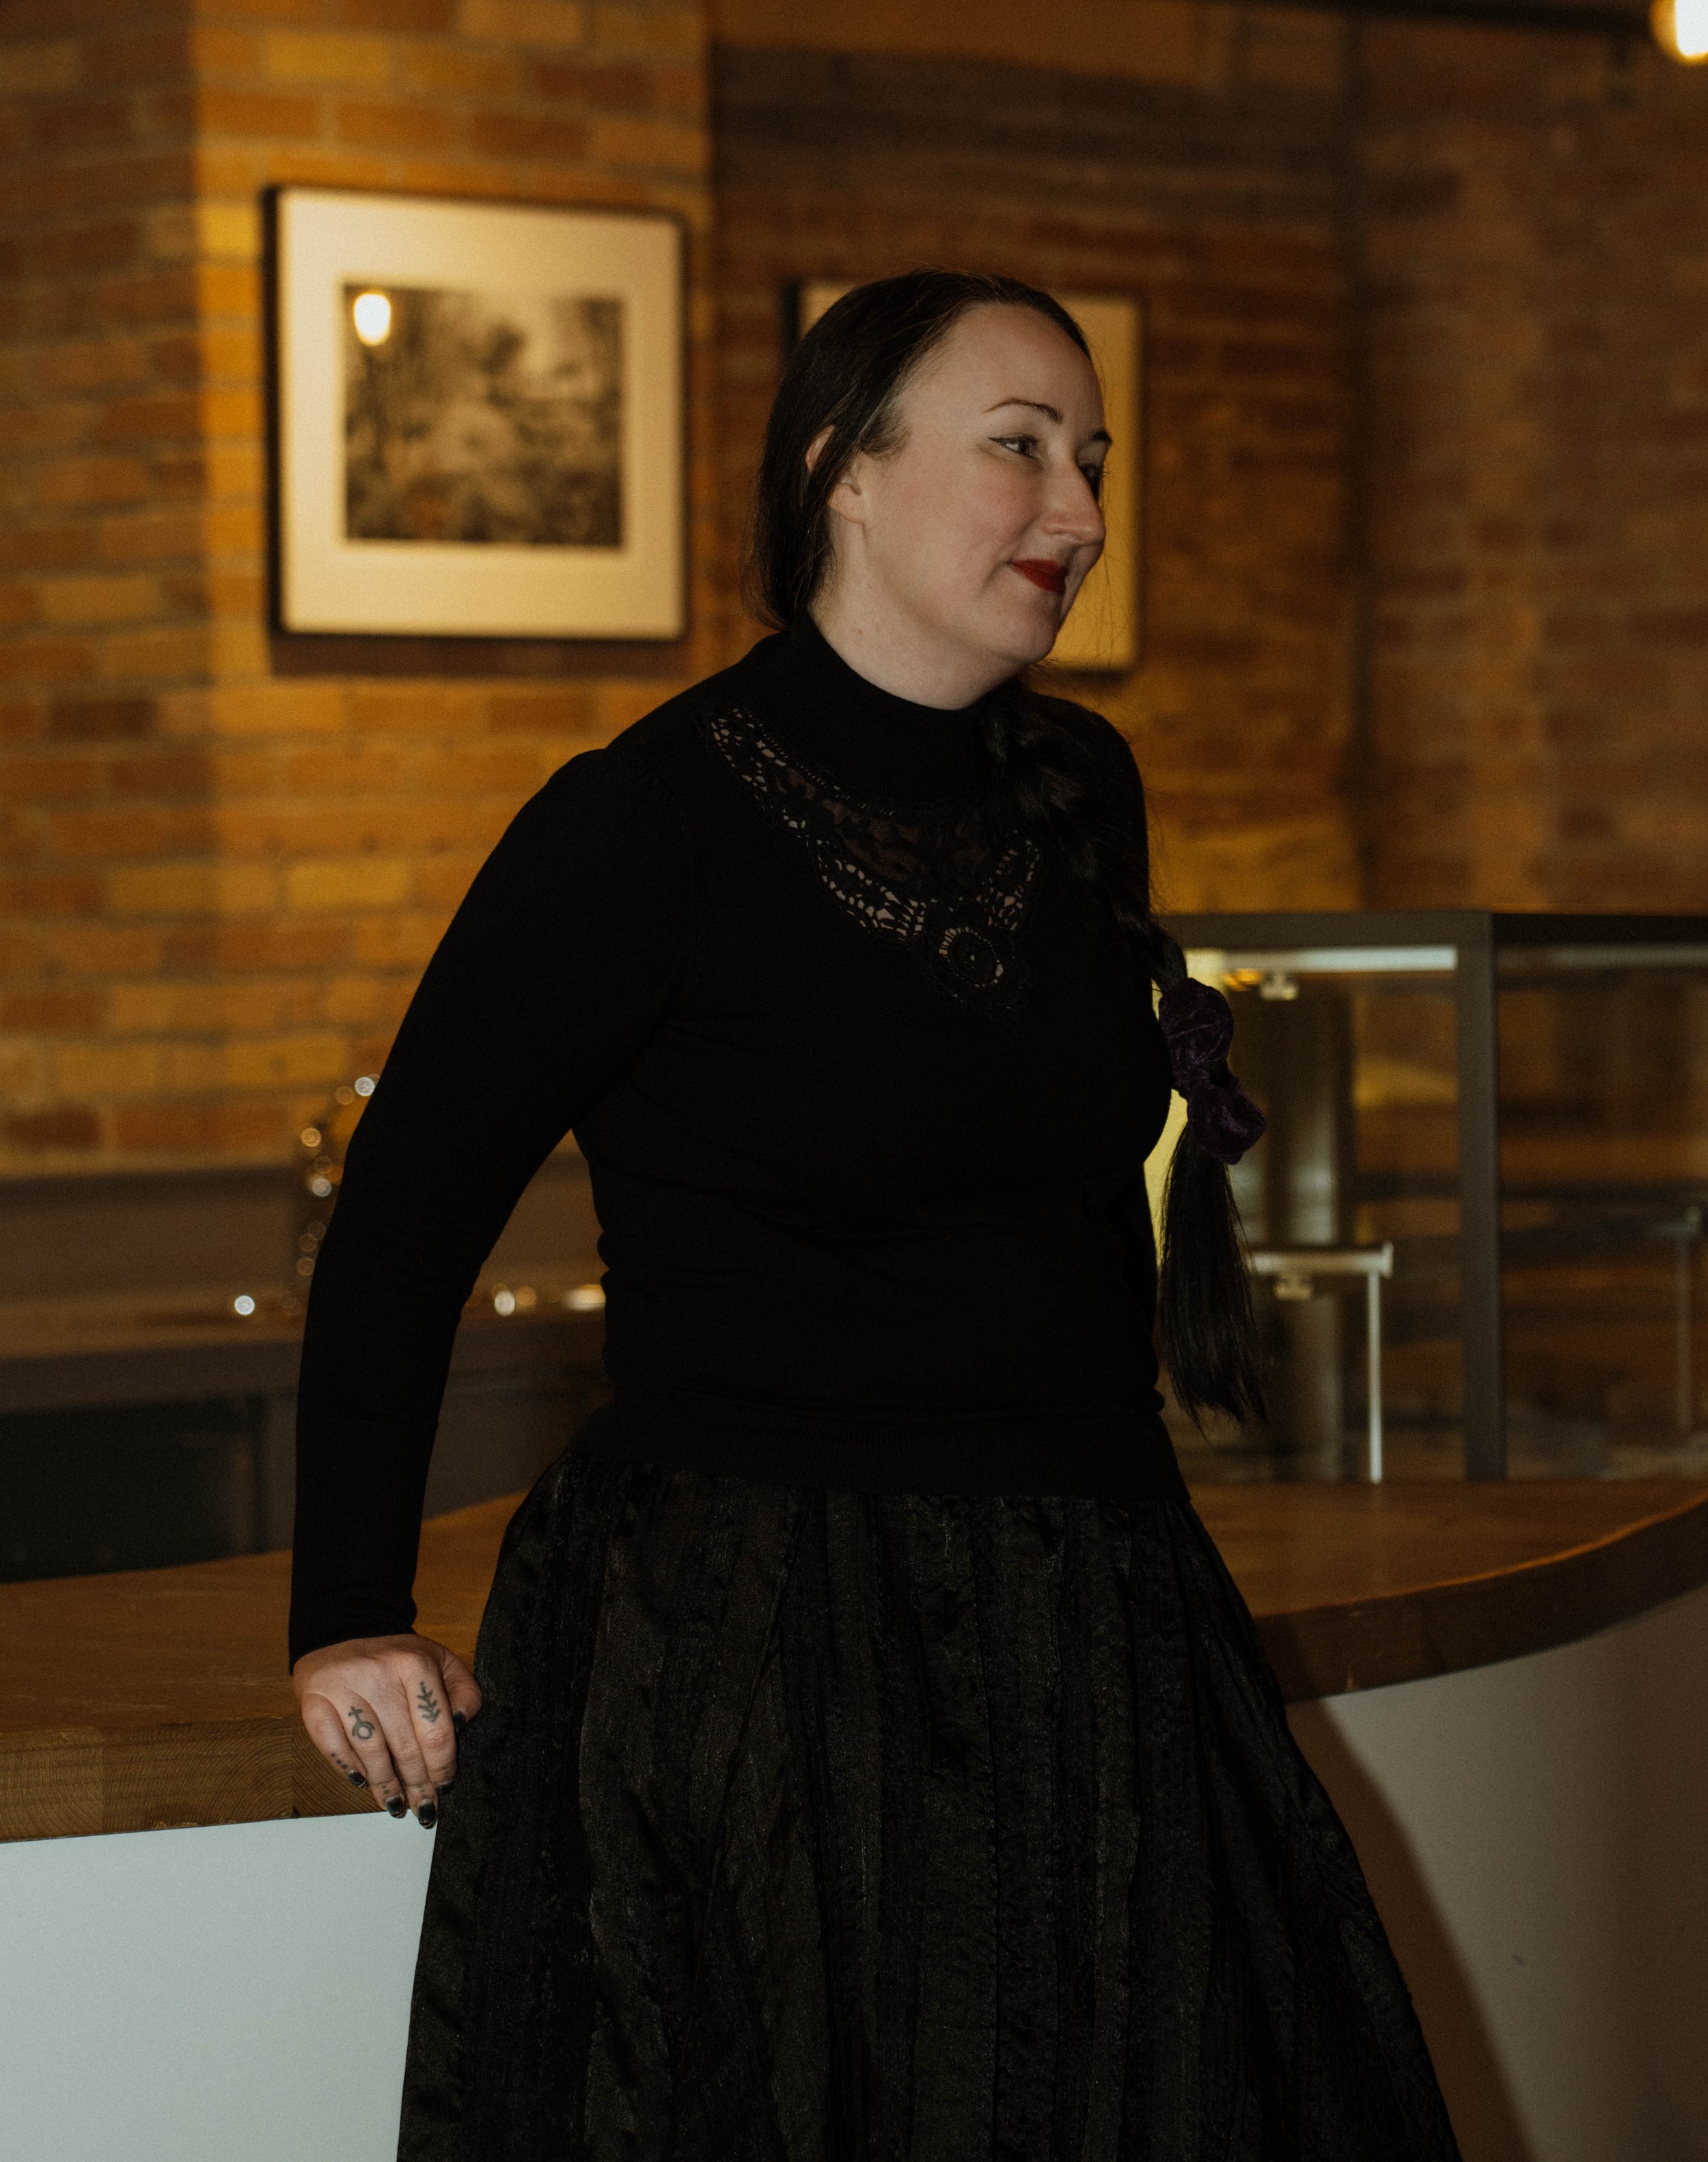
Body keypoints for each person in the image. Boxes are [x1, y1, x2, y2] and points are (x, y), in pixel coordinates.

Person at [290, 272, 1461, 2161]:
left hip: (1094, 1609)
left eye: (1087, 461)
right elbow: (410, 1215)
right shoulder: (642, 821)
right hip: (756, 1647)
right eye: (1017, 450)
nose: (1074, 511)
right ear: (842, 471)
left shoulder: (1079, 785)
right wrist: (346, 1612)